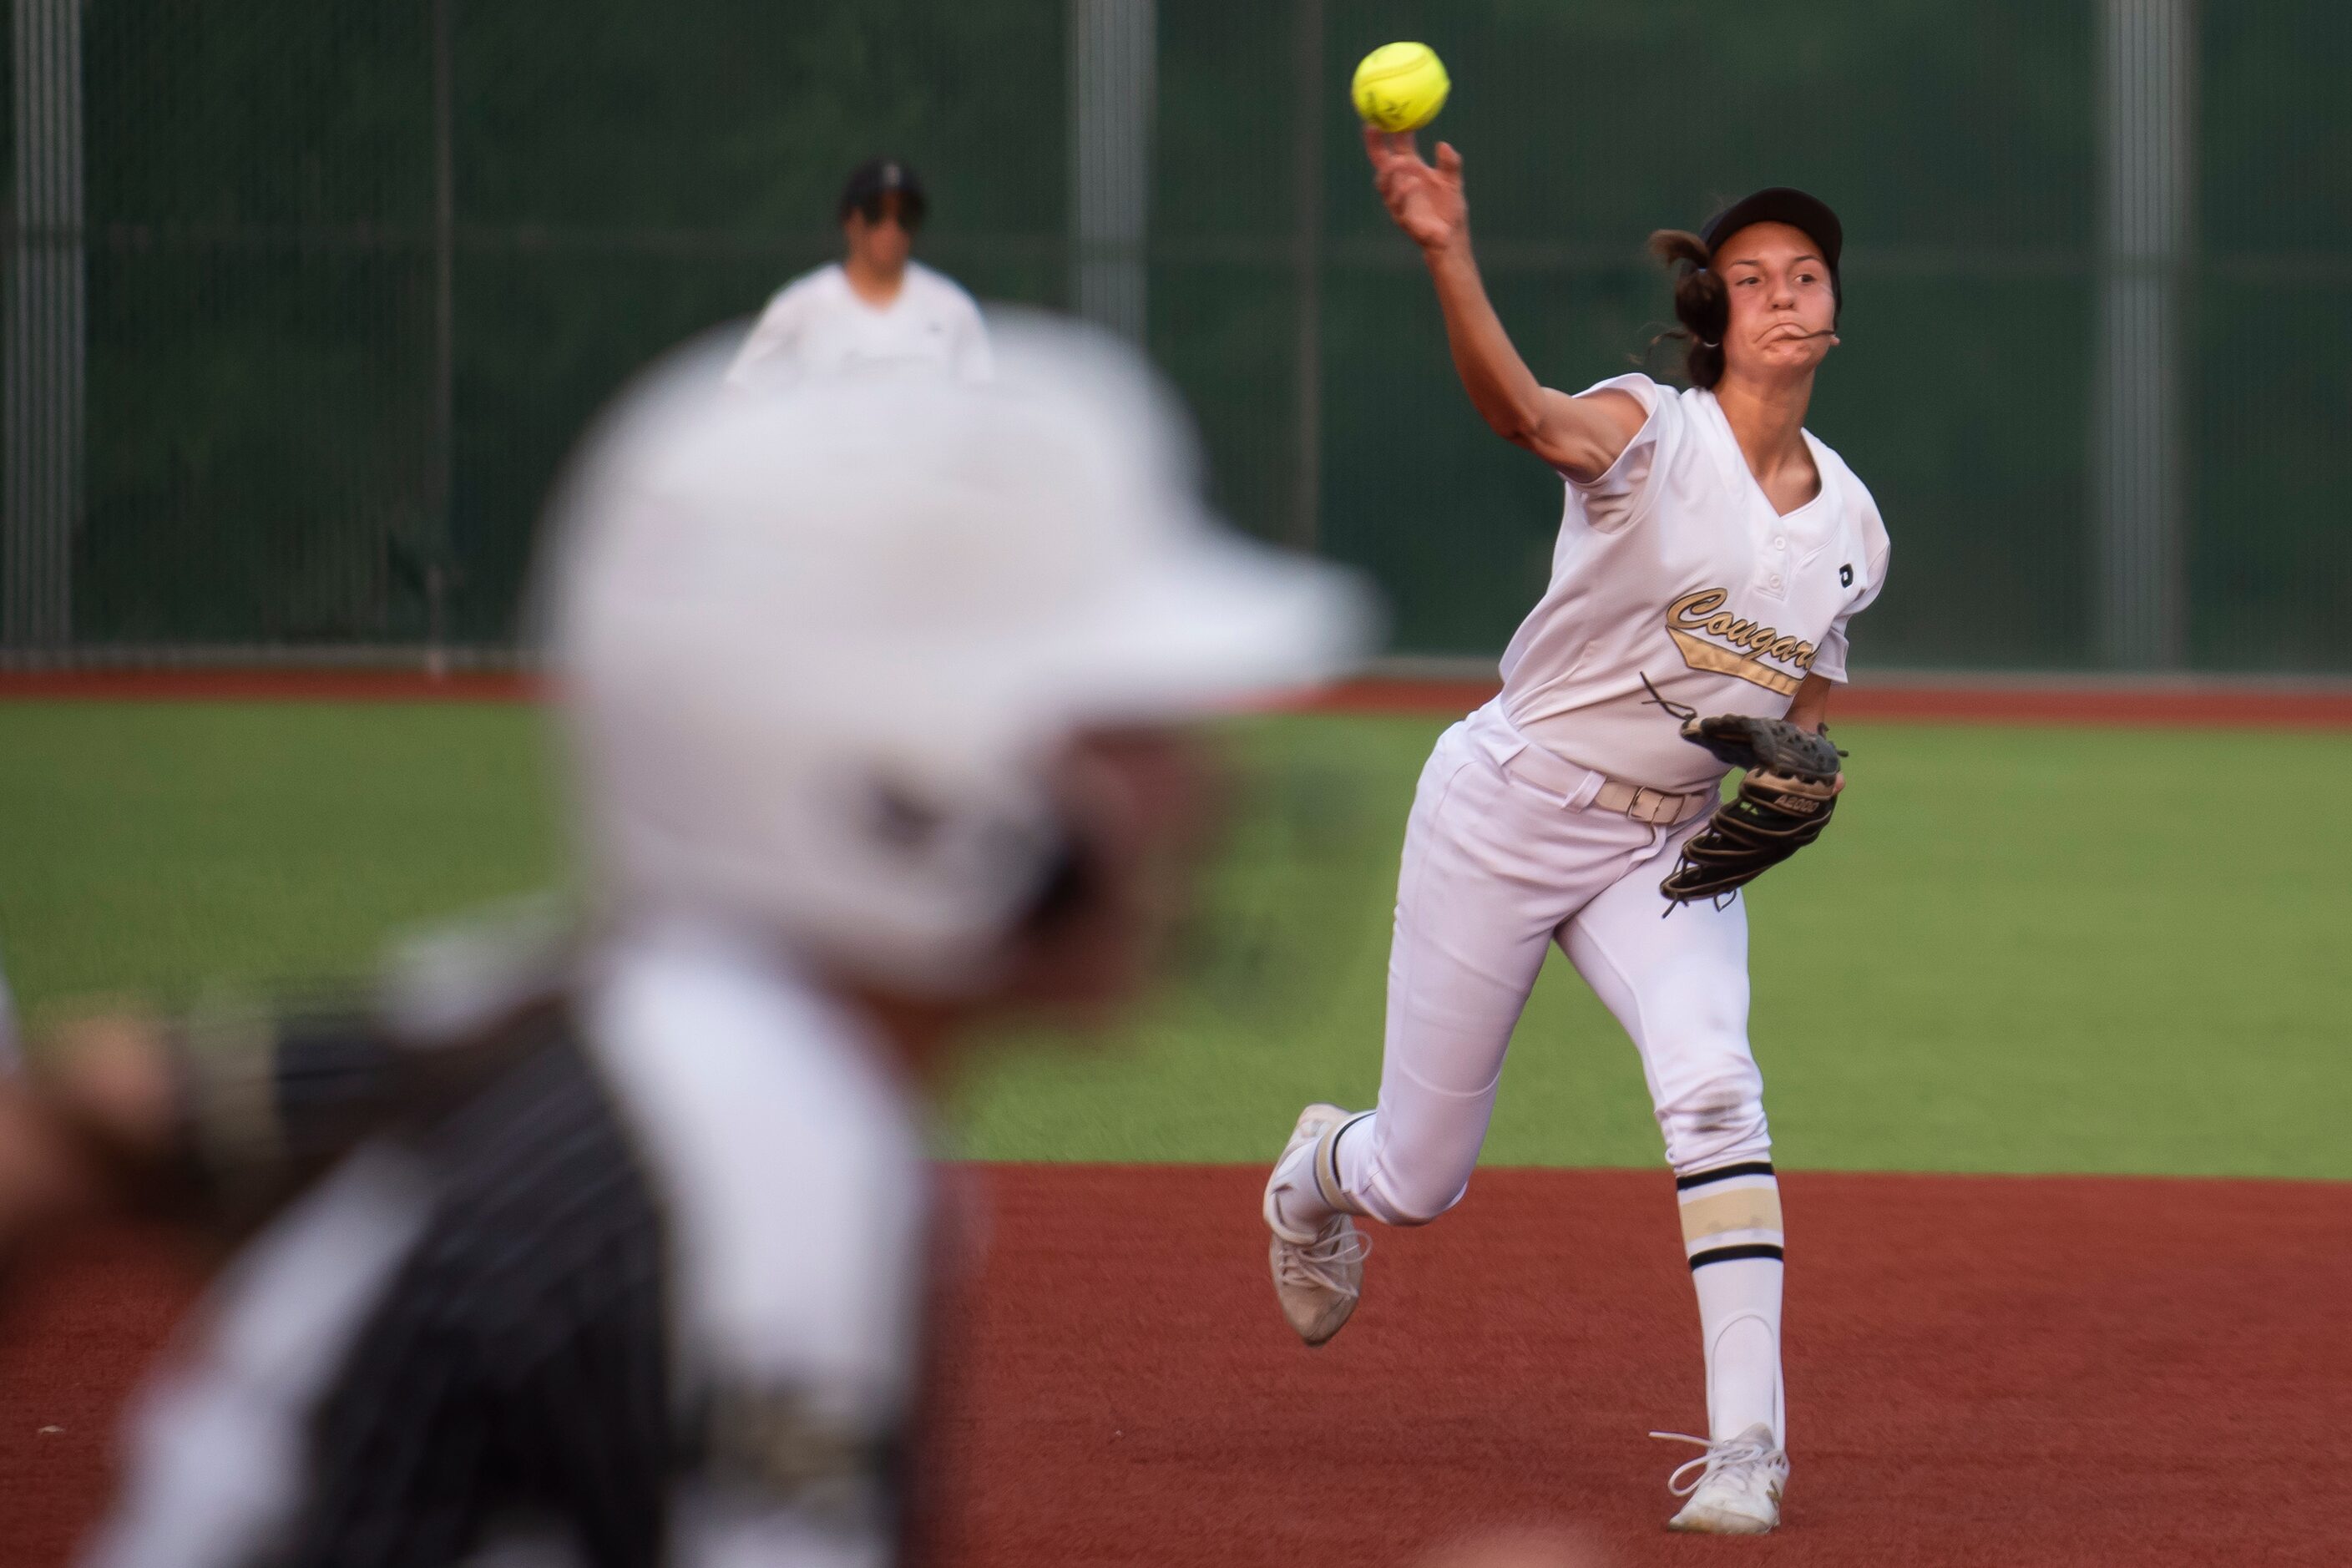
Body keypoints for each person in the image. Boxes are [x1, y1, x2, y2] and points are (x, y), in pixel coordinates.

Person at [0, 315, 1367, 1566]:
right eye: (1124, 729)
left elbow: (90, 1110)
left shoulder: (589, 1013)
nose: (1200, 791)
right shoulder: (755, 1179)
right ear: (898, 778)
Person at [1259, 129, 1890, 1537]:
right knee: (1417, 1179)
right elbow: (1522, 415)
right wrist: (1445, 249)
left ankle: (1745, 1449)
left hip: (1661, 846)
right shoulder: (1647, 434)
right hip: (1503, 804)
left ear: (1832, 312)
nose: (1784, 291)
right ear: (1713, 315)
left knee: (1717, 1087)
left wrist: (1795, 779)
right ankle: (1313, 1178)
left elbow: (1803, 700)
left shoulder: (1852, 525)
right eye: (1753, 276)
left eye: (1805, 273)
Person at [726, 158, 992, 390]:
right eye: (876, 213)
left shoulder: (951, 307)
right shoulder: (802, 305)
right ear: (850, 219)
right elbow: (741, 393)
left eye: (905, 216)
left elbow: (983, 403)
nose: (891, 228)